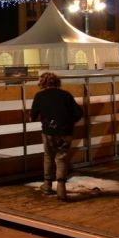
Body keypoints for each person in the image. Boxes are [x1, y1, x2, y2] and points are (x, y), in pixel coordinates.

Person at [30, 72, 83, 201]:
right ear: (57, 82)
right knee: (62, 158)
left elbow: (32, 116)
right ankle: (61, 188)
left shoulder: (40, 96)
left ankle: (47, 186)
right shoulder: (66, 95)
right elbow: (78, 113)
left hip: (49, 132)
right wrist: (68, 122)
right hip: (66, 132)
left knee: (48, 156)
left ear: (42, 83)